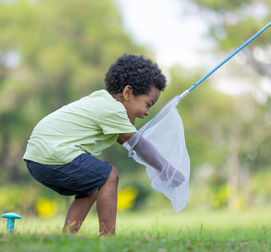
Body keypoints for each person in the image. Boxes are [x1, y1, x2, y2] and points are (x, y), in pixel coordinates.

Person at [23, 54, 184, 236]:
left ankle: (68, 235)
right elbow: (139, 146)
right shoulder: (114, 110)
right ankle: (108, 236)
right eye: (147, 105)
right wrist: (166, 169)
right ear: (127, 93)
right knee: (109, 175)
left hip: (36, 158)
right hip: (52, 153)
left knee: (92, 186)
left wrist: (161, 167)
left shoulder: (102, 102)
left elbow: (131, 144)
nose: (146, 113)